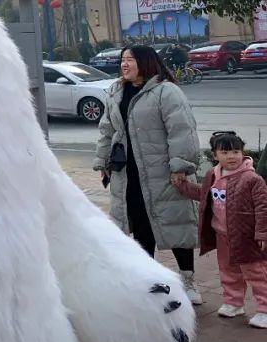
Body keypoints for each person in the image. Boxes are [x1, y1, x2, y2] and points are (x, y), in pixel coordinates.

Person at [95, 44, 203, 303]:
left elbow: (182, 130)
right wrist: (103, 163)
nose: (124, 64)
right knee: (140, 226)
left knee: (174, 223)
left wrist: (181, 166)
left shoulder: (166, 92)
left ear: (145, 62)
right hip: (128, 173)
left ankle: (188, 281)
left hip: (161, 172)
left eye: (130, 59)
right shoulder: (116, 91)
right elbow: (107, 130)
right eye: (122, 59)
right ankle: (148, 279)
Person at [174, 132, 267, 326]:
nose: (231, 156)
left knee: (257, 273)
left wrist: (262, 233)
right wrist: (182, 186)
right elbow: (203, 194)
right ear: (215, 155)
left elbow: (262, 207)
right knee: (228, 270)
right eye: (225, 152)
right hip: (223, 235)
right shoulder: (213, 175)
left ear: (243, 153)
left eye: (236, 151)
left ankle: (264, 309)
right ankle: (233, 303)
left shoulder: (252, 179)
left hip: (247, 237)